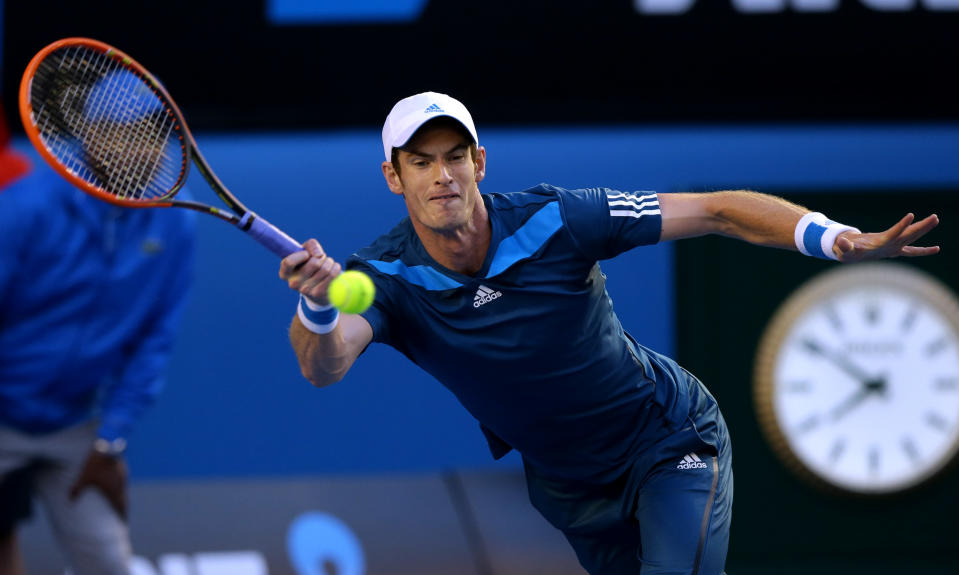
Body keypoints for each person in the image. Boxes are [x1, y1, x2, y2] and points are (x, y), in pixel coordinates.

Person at [278, 92, 939, 575]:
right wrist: (315, 308)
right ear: (394, 176)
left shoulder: (560, 218)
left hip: (667, 438)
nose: (441, 174)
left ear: (480, 161)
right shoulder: (385, 276)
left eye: (454, 156)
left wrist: (836, 239)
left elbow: (715, 211)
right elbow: (323, 365)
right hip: (570, 487)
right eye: (420, 161)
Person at [0, 101, 196, 575]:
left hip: (76, 428)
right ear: (88, 134)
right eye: (121, 132)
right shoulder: (24, 207)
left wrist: (110, 440)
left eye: (152, 135)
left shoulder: (175, 221)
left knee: (109, 564)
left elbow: (154, 340)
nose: (139, 148)